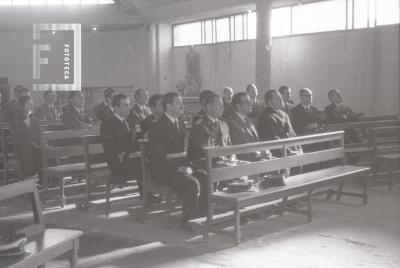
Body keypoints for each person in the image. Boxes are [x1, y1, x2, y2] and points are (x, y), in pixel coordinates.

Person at [148, 92, 204, 231]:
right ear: (168, 106)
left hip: (181, 167)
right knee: (191, 183)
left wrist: (190, 165)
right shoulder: (157, 126)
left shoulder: (179, 122)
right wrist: (179, 168)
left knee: (204, 175)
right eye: (179, 103)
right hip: (165, 171)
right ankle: (188, 222)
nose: (182, 106)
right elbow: (157, 157)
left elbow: (185, 151)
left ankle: (202, 218)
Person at [100, 93, 142, 194]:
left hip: (132, 160)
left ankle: (150, 193)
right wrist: (129, 155)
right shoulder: (108, 124)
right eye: (125, 105)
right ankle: (145, 195)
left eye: (129, 104)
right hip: (118, 164)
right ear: (116, 108)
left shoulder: (130, 121)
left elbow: (135, 142)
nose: (129, 108)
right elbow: (110, 150)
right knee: (143, 165)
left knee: (150, 161)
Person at [228, 92, 272, 162]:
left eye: (250, 101)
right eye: (247, 102)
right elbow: (237, 147)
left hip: (258, 158)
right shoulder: (231, 122)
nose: (251, 104)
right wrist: (258, 154)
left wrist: (265, 150)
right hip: (245, 162)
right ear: (238, 106)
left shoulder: (250, 120)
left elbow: (257, 141)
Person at [257, 90, 301, 157]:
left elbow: (292, 133)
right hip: (279, 155)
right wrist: (288, 152)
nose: (281, 99)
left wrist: (299, 148)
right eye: (277, 98)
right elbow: (273, 139)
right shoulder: (266, 117)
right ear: (269, 102)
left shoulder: (284, 114)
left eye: (281, 97)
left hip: (293, 151)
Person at [188, 94, 231, 163]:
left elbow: (229, 147)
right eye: (219, 105)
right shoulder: (199, 125)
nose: (222, 108)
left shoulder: (224, 124)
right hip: (208, 165)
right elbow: (200, 153)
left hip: (225, 164)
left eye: (222, 105)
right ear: (209, 107)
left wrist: (232, 158)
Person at [9, 95, 43, 184]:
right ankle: (39, 181)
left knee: (45, 151)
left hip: (37, 148)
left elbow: (40, 136)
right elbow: (16, 140)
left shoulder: (35, 120)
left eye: (32, 104)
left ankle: (47, 181)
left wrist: (41, 143)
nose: (32, 106)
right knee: (38, 154)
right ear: (21, 106)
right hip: (23, 150)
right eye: (29, 104)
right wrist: (30, 143)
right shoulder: (14, 122)